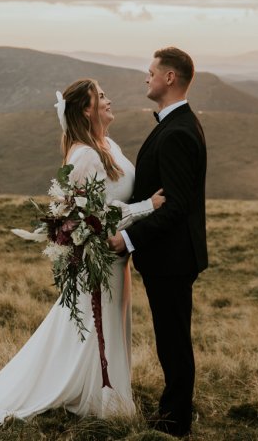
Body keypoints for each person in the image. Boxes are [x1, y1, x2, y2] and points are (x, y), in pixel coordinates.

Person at [0, 78, 165, 423]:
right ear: (86, 109)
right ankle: (98, 400)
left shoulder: (109, 143)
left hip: (116, 260)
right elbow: (96, 219)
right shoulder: (84, 156)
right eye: (101, 97)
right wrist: (147, 208)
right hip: (102, 259)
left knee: (109, 325)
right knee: (95, 326)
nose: (110, 101)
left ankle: (104, 395)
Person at [109, 47, 208, 437]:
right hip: (170, 256)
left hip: (172, 257)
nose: (146, 78)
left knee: (173, 340)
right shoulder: (176, 123)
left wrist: (128, 238)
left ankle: (174, 421)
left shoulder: (179, 130)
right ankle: (174, 410)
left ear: (169, 78)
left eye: (151, 72)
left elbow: (177, 207)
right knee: (171, 336)